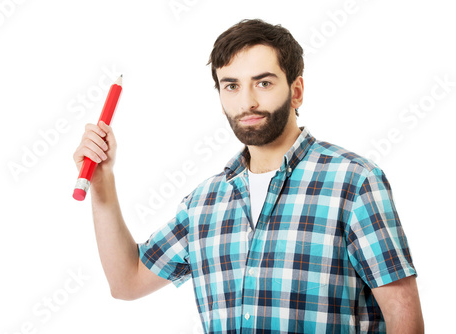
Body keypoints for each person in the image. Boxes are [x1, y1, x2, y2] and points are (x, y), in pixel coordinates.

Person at [73, 19, 423, 333]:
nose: (247, 102)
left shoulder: (354, 181)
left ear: (296, 90)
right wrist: (102, 181)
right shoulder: (204, 203)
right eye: (232, 86)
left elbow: (402, 315)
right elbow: (127, 280)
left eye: (264, 83)